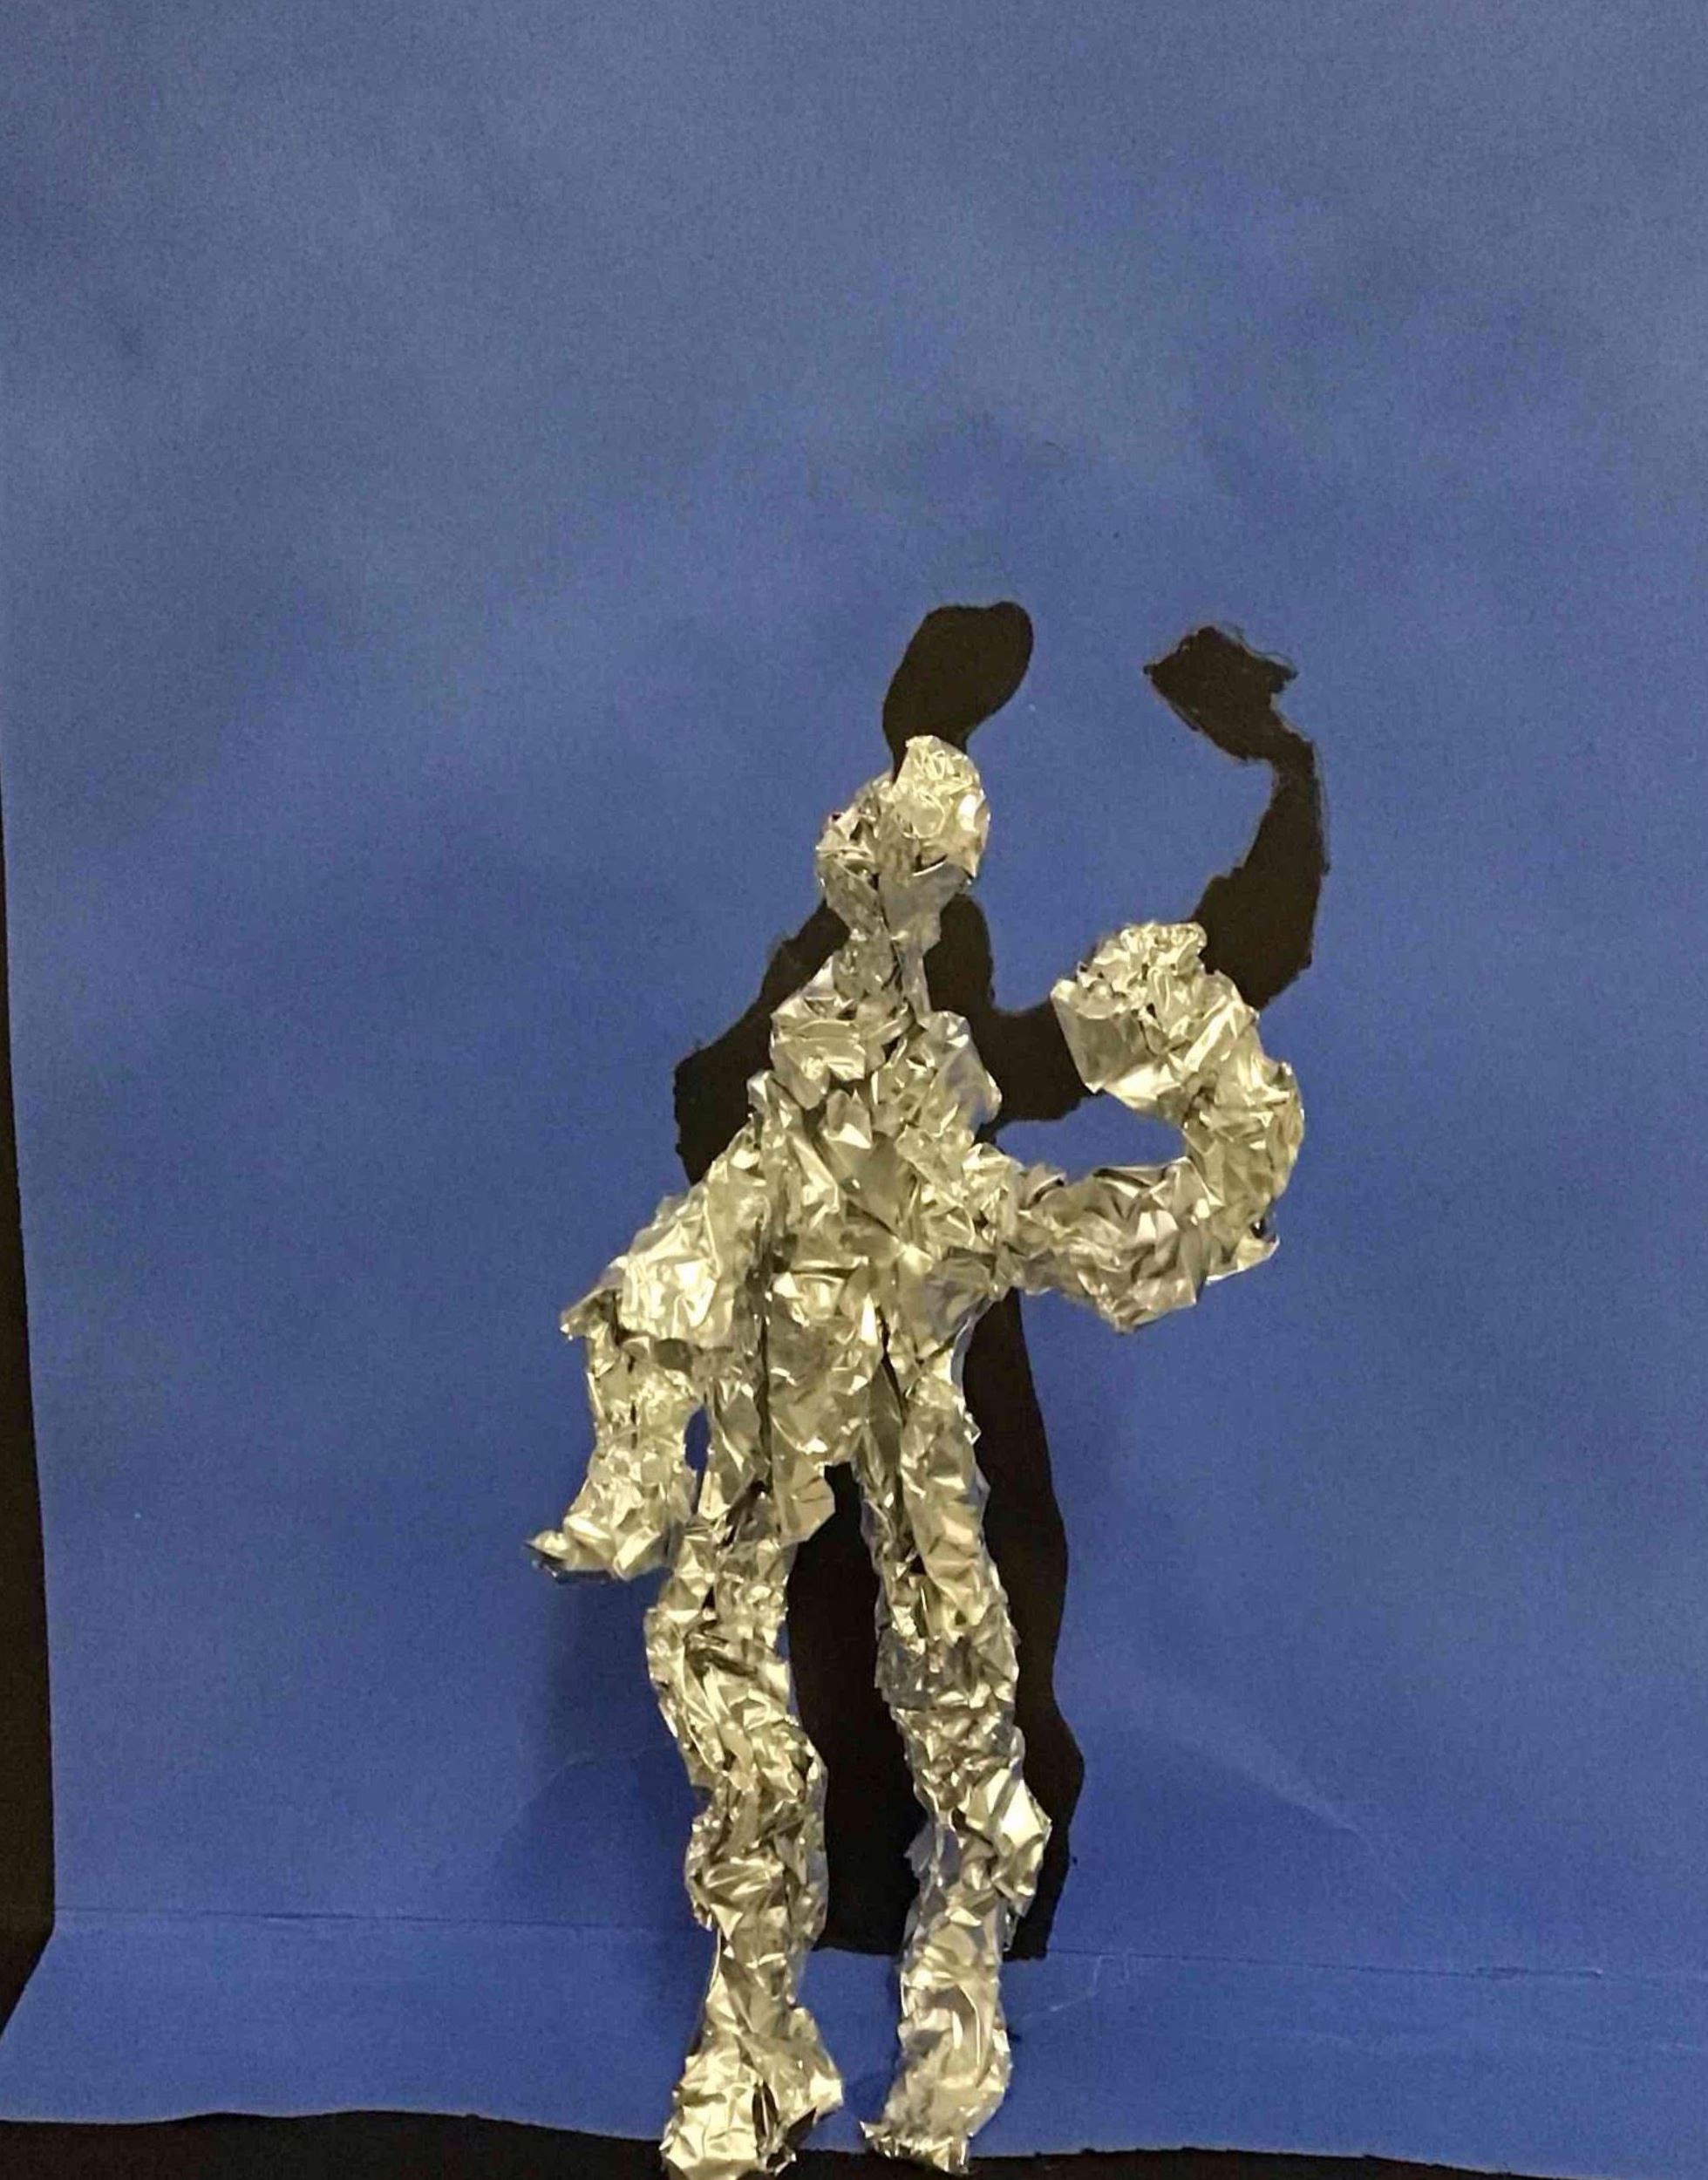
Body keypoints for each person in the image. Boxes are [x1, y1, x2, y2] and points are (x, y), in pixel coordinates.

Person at [532, 733, 1304, 2177]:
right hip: (765, 1472)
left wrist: (1212, 1074)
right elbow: (664, 1282)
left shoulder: (947, 1195)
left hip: (908, 1470)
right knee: (740, 1696)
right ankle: (755, 2030)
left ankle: (950, 2000)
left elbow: (1157, 1230)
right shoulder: (788, 1165)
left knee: (954, 1693)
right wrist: (632, 1450)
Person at [672, 606, 1327, 1957]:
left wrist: (1286, 793)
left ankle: (953, 1876)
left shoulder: (934, 1049)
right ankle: (890, 1873)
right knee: (874, 1575)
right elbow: (714, 1093)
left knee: (965, 1573)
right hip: (857, 1324)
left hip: (925, 1317)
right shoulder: (839, 1004)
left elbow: (1155, 1015)